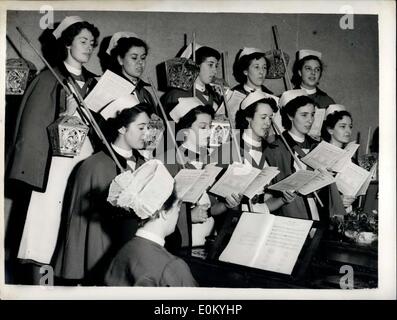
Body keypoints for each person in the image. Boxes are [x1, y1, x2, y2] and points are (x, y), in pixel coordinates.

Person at [7, 16, 100, 283]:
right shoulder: (50, 78)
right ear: (68, 43)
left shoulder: (95, 81)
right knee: (47, 220)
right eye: (83, 41)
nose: (89, 47)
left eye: (92, 43)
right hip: (55, 161)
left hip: (86, 158)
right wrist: (67, 113)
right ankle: (40, 282)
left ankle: (72, 274)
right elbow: (33, 125)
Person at [54, 101, 150, 285]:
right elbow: (86, 228)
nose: (147, 134)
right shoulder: (94, 165)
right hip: (103, 254)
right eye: (141, 127)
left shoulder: (145, 164)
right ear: (122, 128)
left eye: (148, 128)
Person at [160, 97, 242, 249]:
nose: (209, 132)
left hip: (209, 240)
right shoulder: (168, 161)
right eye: (202, 127)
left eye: (210, 126)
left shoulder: (210, 160)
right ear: (185, 130)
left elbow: (210, 209)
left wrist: (227, 204)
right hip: (180, 242)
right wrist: (188, 216)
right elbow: (158, 212)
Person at [105, 159, 198, 287]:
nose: (177, 214)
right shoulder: (173, 267)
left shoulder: (124, 251)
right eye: (177, 208)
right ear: (164, 212)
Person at [265, 90, 345, 222]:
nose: (310, 120)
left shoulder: (318, 146)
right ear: (290, 116)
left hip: (319, 213)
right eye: (304, 115)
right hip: (290, 214)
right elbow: (268, 196)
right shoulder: (275, 149)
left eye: (312, 115)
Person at [161, 45, 223, 118]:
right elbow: (170, 127)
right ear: (195, 65)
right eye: (210, 65)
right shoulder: (176, 95)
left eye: (216, 66)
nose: (215, 71)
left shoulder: (215, 96)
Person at [107, 32, 157, 115]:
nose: (140, 62)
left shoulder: (145, 93)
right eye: (134, 58)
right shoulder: (112, 90)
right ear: (120, 60)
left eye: (143, 58)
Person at [321, 104, 356, 213]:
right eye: (342, 126)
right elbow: (317, 192)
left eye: (350, 126)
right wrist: (336, 200)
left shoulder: (352, 158)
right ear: (330, 130)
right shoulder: (321, 156)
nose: (348, 131)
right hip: (326, 214)